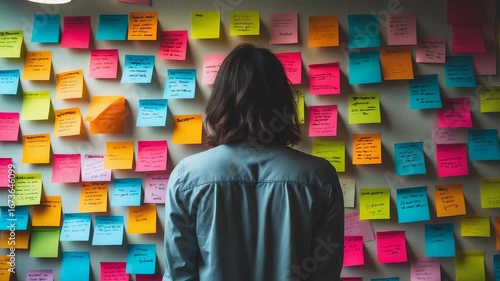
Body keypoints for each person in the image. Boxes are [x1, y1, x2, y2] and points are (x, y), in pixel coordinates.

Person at [163, 43, 344, 281]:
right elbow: (325, 274)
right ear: (283, 103)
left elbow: (179, 275)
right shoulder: (320, 177)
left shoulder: (187, 177)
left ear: (220, 100)